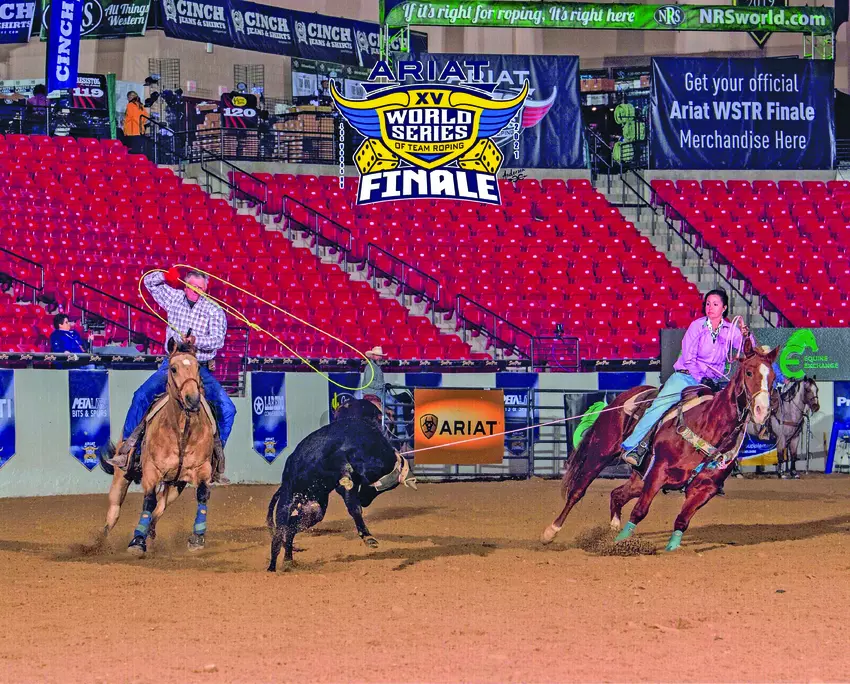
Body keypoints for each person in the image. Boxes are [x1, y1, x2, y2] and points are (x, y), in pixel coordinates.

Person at [107, 268, 236, 482]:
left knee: (228, 409)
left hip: (199, 367)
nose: (197, 291)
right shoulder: (174, 298)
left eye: (201, 288)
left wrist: (195, 341)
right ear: (185, 286)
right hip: (172, 365)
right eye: (193, 287)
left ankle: (214, 457)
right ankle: (127, 450)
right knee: (141, 395)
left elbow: (217, 340)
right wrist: (166, 276)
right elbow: (148, 283)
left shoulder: (214, 310)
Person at [621, 288, 751, 467]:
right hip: (686, 378)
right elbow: (689, 358)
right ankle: (634, 446)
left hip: (713, 383)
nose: (710, 307)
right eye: (708, 304)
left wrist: (746, 336)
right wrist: (701, 378)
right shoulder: (697, 326)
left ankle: (715, 460)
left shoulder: (732, 331)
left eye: (715, 304)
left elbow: (749, 350)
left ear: (724, 308)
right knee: (659, 406)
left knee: (727, 416)